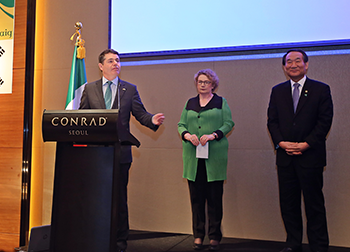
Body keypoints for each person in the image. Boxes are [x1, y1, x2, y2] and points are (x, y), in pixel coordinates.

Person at [79, 48, 165, 252]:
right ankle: (97, 239)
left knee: (119, 200)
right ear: (101, 66)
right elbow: (82, 118)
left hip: (120, 154)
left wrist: (151, 120)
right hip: (96, 155)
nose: (115, 64)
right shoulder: (89, 89)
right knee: (97, 199)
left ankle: (119, 243)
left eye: (117, 60)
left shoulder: (130, 89)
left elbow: (141, 114)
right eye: (110, 61)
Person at [267, 49, 333, 252]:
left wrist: (306, 144)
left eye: (297, 61)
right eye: (288, 62)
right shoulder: (277, 91)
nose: (293, 65)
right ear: (284, 67)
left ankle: (319, 245)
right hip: (285, 158)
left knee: (314, 204)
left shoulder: (321, 89)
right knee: (288, 204)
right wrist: (281, 143)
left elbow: (324, 122)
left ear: (306, 64)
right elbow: (272, 121)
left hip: (310, 156)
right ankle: (293, 243)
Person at [178, 69, 234, 251]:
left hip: (214, 158)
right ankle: (198, 236)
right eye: (200, 82)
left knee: (215, 200)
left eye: (206, 82)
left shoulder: (220, 102)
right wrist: (186, 135)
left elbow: (228, 123)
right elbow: (181, 125)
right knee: (196, 200)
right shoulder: (190, 102)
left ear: (213, 84)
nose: (202, 85)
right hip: (193, 159)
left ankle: (215, 236)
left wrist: (213, 135)